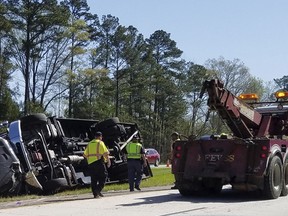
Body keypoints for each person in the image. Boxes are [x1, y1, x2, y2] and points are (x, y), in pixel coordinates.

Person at [83, 131, 111, 198]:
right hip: (99, 162)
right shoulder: (100, 143)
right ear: (100, 137)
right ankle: (98, 190)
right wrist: (108, 161)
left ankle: (95, 194)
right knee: (104, 176)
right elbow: (105, 153)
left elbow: (84, 155)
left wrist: (90, 159)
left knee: (94, 179)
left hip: (91, 163)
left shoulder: (89, 143)